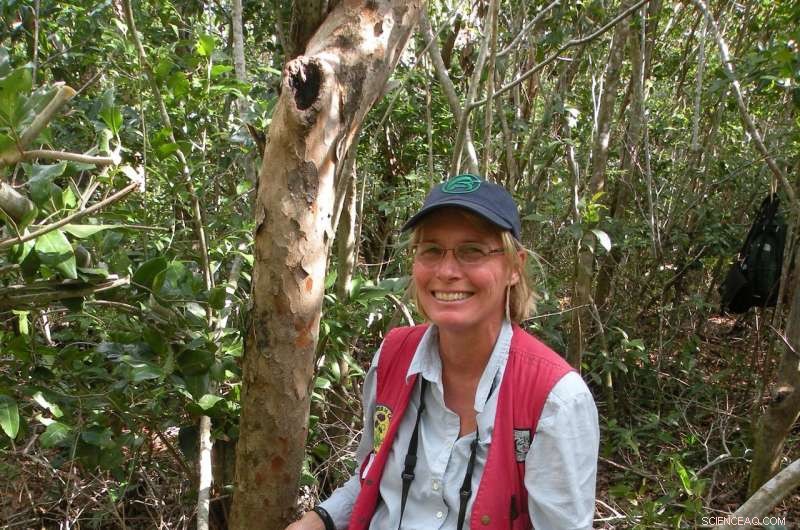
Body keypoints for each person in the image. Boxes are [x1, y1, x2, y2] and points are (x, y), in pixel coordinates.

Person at [286, 174, 599, 530]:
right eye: (432, 250)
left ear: (515, 267)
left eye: (472, 251)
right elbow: (372, 478)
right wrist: (318, 520)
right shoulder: (393, 357)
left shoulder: (555, 399)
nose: (447, 271)